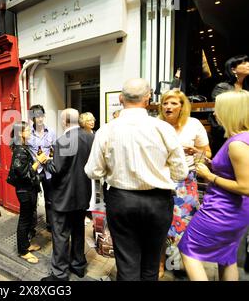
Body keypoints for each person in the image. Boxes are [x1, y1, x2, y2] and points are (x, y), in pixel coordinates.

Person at [85, 78, 188, 281]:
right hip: (158, 202)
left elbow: (93, 171)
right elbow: (181, 173)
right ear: (148, 97)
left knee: (127, 263)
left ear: (120, 98)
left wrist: (113, 170)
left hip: (121, 201)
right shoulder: (164, 129)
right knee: (151, 264)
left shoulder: (107, 130)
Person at [178, 90, 249, 281]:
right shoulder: (242, 139)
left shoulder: (238, 144)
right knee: (227, 257)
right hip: (235, 210)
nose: (215, 114)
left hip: (222, 210)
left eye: (218, 109)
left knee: (188, 249)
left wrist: (210, 176)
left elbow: (246, 187)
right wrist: (212, 165)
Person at [158, 89, 212, 277]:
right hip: (161, 180)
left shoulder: (193, 124)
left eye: (173, 103)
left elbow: (207, 154)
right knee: (160, 224)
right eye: (165, 103)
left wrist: (194, 150)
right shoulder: (156, 125)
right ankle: (161, 263)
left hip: (185, 182)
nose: (168, 107)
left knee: (183, 224)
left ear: (182, 106)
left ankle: (187, 263)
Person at [40, 108, 94, 281]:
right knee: (78, 230)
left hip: (63, 196)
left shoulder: (64, 140)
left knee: (61, 234)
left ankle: (59, 274)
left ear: (64, 122)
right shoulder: (90, 137)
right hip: (83, 193)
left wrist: (46, 161)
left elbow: (56, 169)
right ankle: (78, 266)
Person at [7, 121, 44, 264]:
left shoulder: (22, 147)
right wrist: (38, 161)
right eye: (27, 130)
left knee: (28, 218)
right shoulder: (19, 150)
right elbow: (24, 173)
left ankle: (26, 245)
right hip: (24, 190)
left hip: (28, 189)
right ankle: (22, 251)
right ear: (20, 133)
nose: (30, 132)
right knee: (24, 220)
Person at [210, 55, 249, 155]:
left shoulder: (246, 87)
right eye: (244, 63)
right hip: (225, 127)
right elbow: (220, 113)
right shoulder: (222, 87)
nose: (248, 65)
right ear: (233, 69)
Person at [28, 104, 56, 233]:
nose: (39, 119)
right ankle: (31, 227)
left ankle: (50, 224)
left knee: (50, 199)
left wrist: (51, 158)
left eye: (41, 116)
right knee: (32, 201)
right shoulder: (27, 133)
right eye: (36, 116)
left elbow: (56, 150)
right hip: (35, 171)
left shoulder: (51, 132)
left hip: (48, 171)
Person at [79, 112, 97, 214]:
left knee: (95, 190)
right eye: (89, 120)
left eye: (93, 120)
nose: (92, 122)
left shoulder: (96, 134)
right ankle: (85, 212)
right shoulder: (80, 135)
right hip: (83, 166)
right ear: (83, 122)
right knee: (85, 190)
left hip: (94, 165)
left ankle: (93, 211)